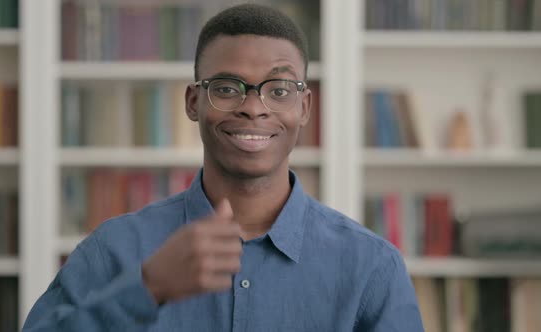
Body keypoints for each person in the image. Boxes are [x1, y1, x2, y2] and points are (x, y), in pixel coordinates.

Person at [23, 4, 424, 331]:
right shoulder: (113, 250)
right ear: (193, 103)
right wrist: (147, 289)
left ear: (304, 108)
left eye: (279, 89)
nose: (253, 106)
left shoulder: (372, 268)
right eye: (227, 88)